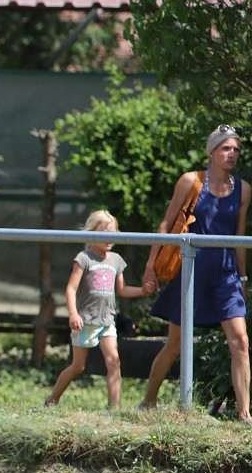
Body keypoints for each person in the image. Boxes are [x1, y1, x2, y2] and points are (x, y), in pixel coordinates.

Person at [141, 125, 251, 421]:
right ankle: (148, 401)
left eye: (237, 149)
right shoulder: (190, 181)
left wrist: (243, 279)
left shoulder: (243, 189)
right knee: (175, 344)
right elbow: (166, 225)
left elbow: (239, 238)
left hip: (226, 273)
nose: (232, 154)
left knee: (240, 341)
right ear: (212, 151)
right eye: (226, 148)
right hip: (190, 270)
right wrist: (151, 267)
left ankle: (244, 415)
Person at [44, 210, 154, 409]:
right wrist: (73, 313)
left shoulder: (116, 260)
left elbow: (122, 289)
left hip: (107, 321)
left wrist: (142, 291)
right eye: (104, 233)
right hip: (85, 321)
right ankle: (52, 400)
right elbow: (70, 289)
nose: (109, 239)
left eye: (113, 233)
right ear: (92, 233)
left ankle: (114, 408)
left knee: (114, 362)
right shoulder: (84, 258)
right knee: (78, 366)